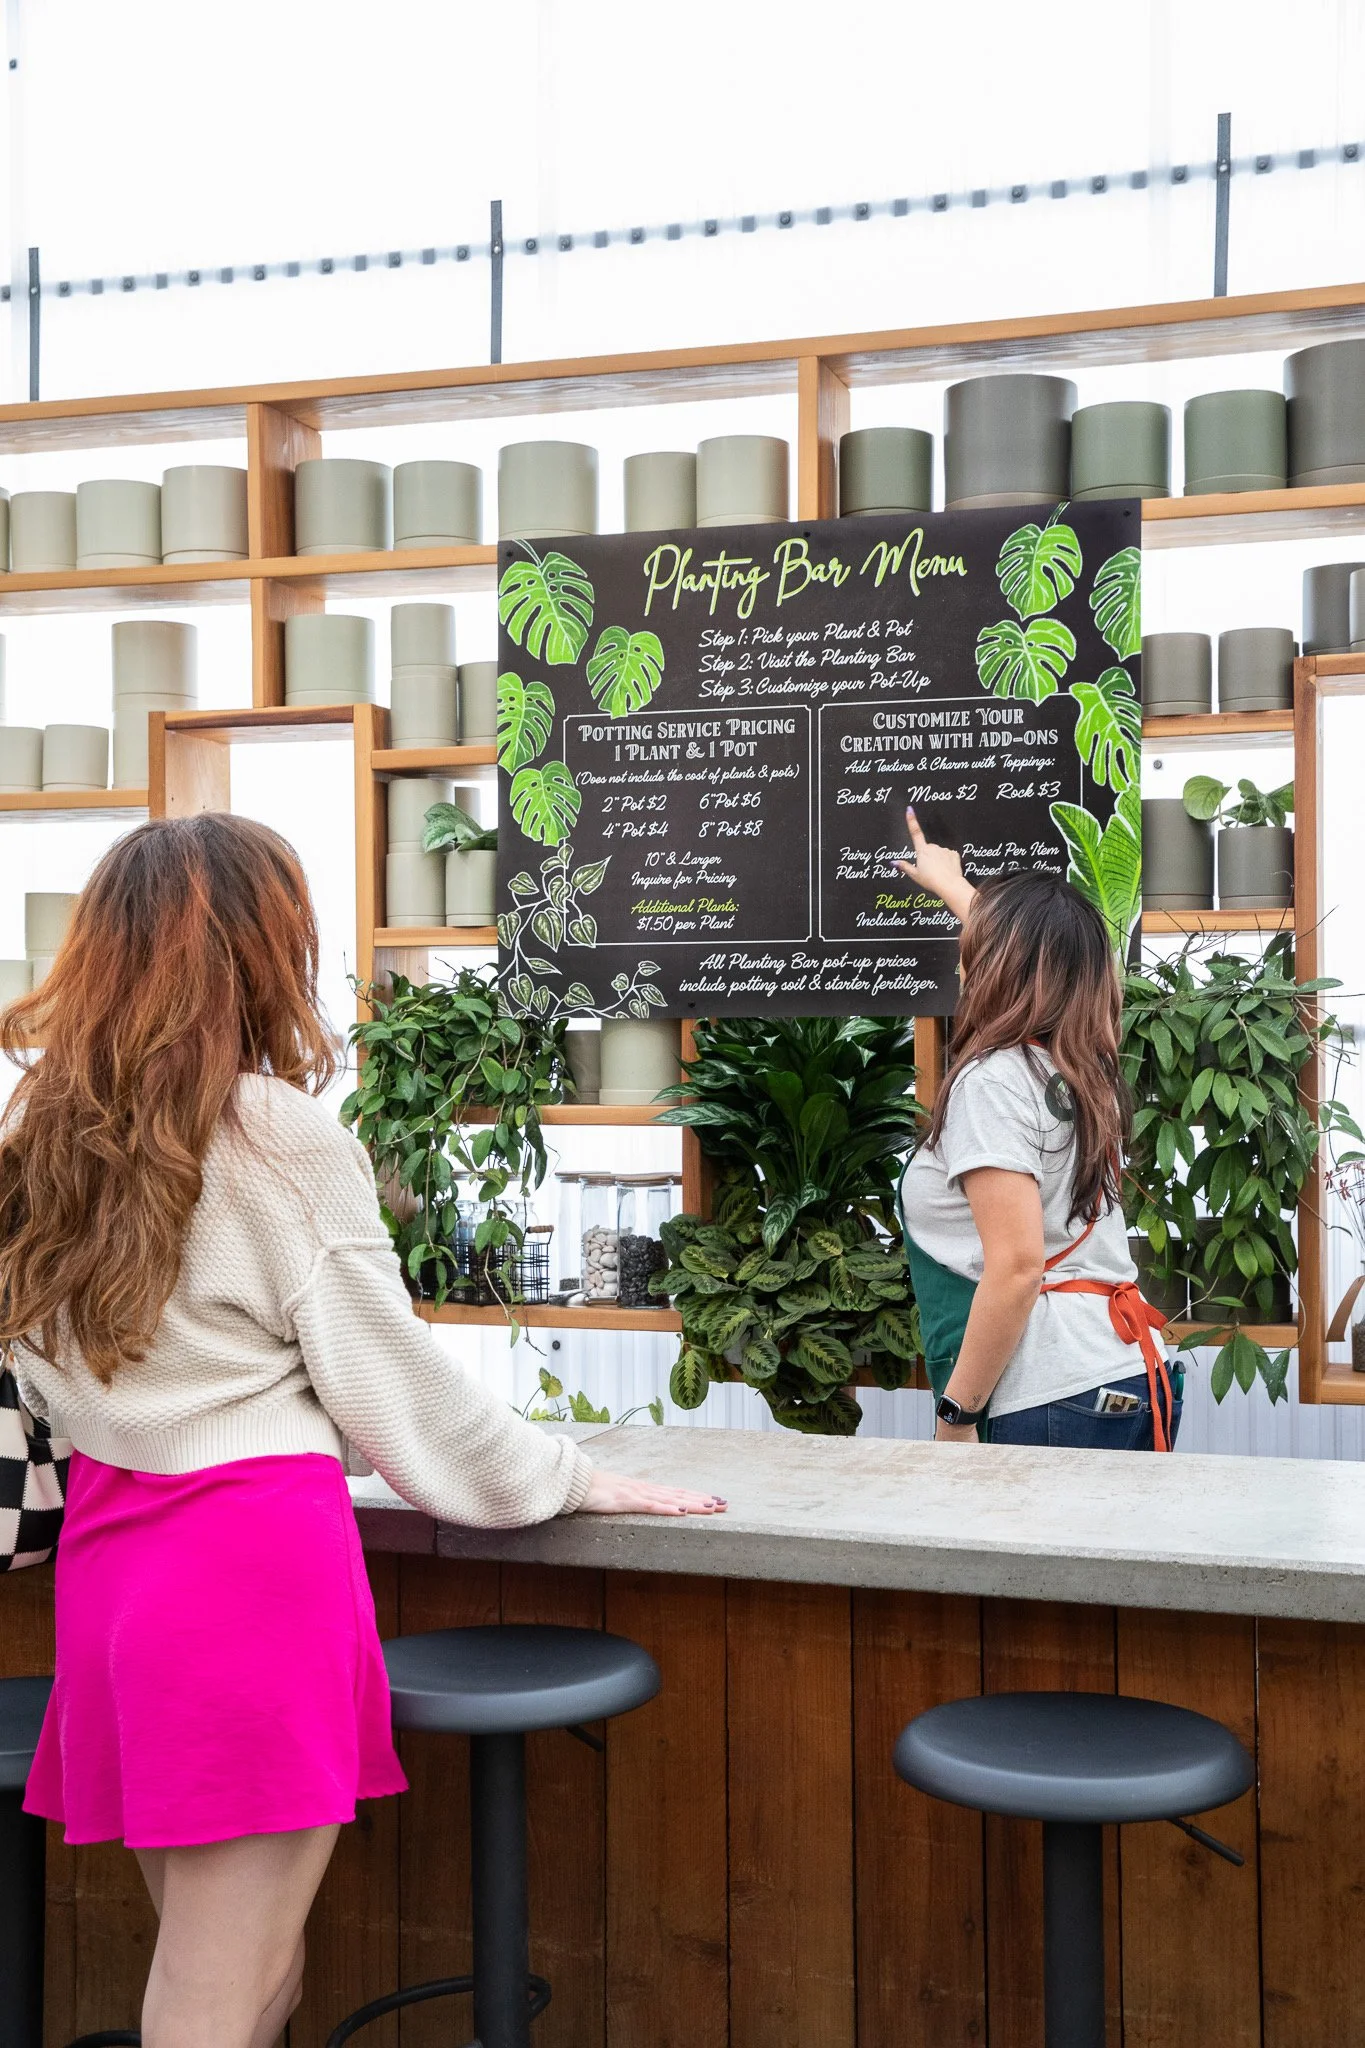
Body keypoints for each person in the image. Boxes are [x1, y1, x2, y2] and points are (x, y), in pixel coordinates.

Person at [0, 814, 725, 2048]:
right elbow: (390, 1383)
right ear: (261, 950)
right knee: (217, 2000)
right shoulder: (276, 1132)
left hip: (115, 1571)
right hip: (245, 1575)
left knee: (245, 1977)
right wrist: (567, 1472)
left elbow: (52, 1365)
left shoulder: (43, 1136)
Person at [895, 807, 1176, 1452]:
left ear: (1000, 968)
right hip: (1126, 1370)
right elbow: (1048, 960)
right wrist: (955, 887)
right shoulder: (1080, 1064)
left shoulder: (991, 1083)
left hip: (1050, 1393)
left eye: (974, 956)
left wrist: (955, 1418)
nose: (964, 968)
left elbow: (1017, 1267)